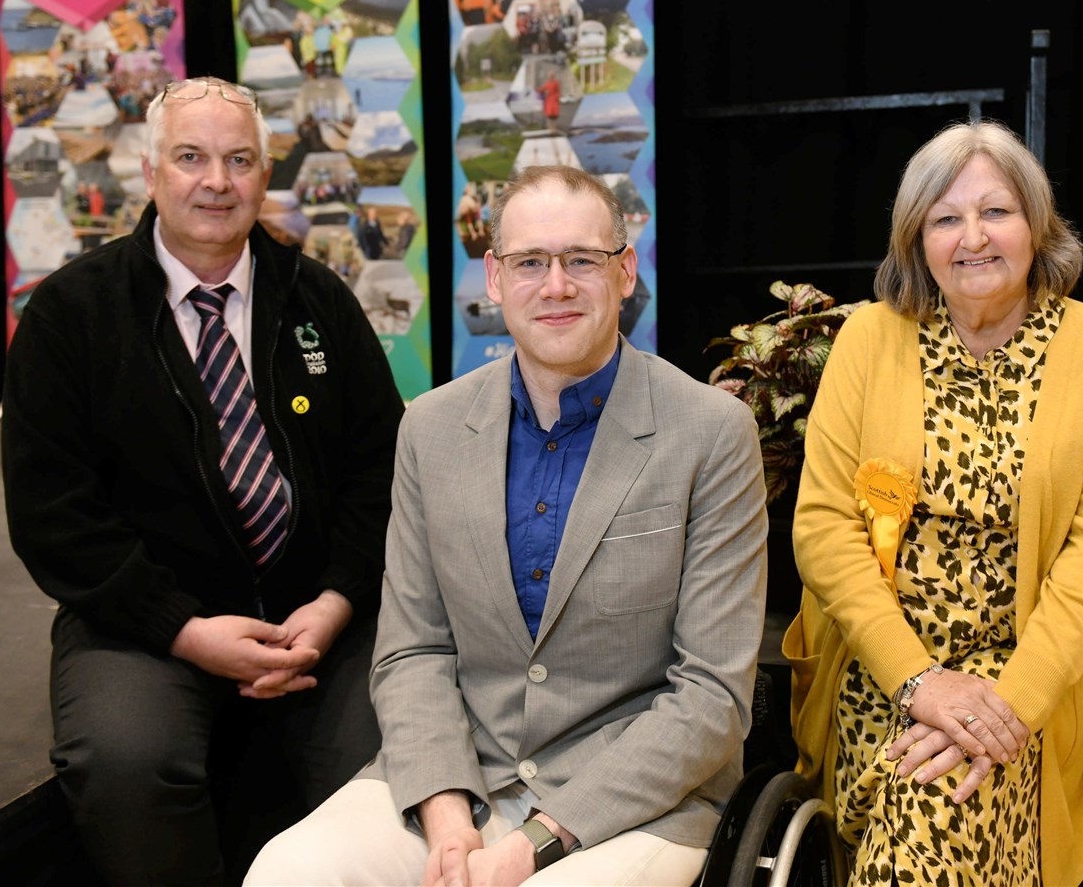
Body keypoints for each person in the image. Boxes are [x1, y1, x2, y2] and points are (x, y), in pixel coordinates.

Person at [247, 165, 769, 887]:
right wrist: (446, 811)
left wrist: (533, 844)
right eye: (529, 263)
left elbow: (711, 694)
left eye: (581, 260)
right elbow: (411, 651)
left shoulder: (711, 433)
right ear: (493, 278)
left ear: (625, 273)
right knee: (287, 870)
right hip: (458, 776)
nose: (555, 286)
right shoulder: (429, 429)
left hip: (635, 802)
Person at [2, 76, 404, 885]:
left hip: (319, 614)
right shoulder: (70, 314)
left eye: (239, 160)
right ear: (149, 174)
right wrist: (185, 631)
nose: (216, 181)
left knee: (395, 759)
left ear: (264, 177)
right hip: (145, 622)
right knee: (124, 761)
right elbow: (54, 515)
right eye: (190, 157)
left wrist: (334, 604)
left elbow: (383, 474)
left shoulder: (319, 299)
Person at [783, 120, 1083, 887]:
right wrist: (918, 682)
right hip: (884, 663)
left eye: (997, 212)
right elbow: (823, 528)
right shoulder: (869, 339)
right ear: (917, 241)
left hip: (1025, 672)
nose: (973, 237)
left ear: (1037, 225)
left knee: (945, 795)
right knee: (931, 795)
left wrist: (1006, 708)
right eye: (945, 218)